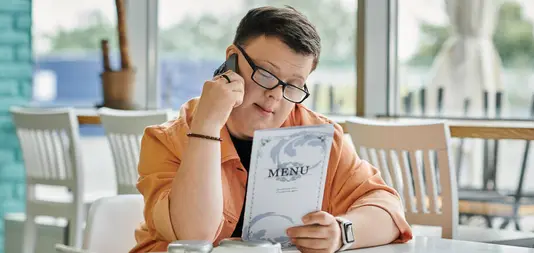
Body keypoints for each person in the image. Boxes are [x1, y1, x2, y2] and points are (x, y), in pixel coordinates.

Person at [130, 5, 412, 253]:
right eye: (266, 74)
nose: (276, 95)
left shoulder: (318, 137)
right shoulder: (165, 140)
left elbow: (388, 210)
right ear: (232, 60)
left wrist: (341, 232)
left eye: (293, 84)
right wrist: (208, 125)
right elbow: (194, 237)